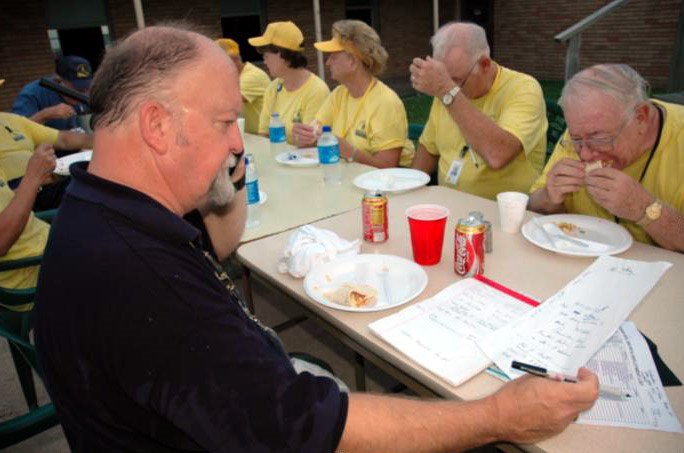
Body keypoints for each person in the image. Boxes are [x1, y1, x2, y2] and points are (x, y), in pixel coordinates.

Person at [35, 25, 598, 452]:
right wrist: (497, 417)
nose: (239, 143)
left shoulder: (104, 208)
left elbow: (221, 248)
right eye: (225, 122)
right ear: (157, 126)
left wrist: (220, 179)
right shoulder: (144, 283)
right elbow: (303, 426)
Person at [529, 64, 684, 252]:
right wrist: (548, 196)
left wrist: (645, 210)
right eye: (576, 139)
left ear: (641, 117)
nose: (585, 154)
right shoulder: (583, 129)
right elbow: (532, 207)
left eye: (600, 138)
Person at [410, 22, 547, 200]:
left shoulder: (523, 89)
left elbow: (498, 154)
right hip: (449, 204)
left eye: (456, 81)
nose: (451, 87)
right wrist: (408, 188)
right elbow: (429, 148)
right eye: (445, 78)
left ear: (484, 64)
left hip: (502, 213)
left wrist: (447, 91)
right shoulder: (445, 91)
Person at [291, 20, 414, 168]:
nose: (328, 63)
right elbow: (316, 132)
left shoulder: (386, 102)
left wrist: (351, 152)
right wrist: (304, 137)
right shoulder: (339, 93)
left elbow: (388, 167)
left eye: (333, 57)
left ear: (353, 62)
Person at [249, 21, 329, 144]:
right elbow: (263, 134)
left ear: (282, 55)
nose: (264, 61)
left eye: (266, 56)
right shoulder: (273, 88)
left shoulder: (316, 90)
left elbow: (309, 143)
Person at [0, 109, 92, 210]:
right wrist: (36, 180)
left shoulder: (10, 119)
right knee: (91, 184)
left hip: (49, 179)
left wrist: (103, 141)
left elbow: (63, 139)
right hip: (24, 193)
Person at [0, 143, 55, 292]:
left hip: (49, 246)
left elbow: (6, 201)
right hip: (31, 274)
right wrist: (32, 179)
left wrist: (38, 180)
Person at [11, 55, 92, 130]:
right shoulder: (32, 93)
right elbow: (16, 131)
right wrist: (45, 115)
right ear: (58, 81)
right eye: (79, 89)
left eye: (86, 88)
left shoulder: (87, 92)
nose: (84, 93)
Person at [216, 38, 271, 134]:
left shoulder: (252, 76)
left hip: (265, 136)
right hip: (250, 136)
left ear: (234, 60)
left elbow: (227, 103)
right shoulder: (232, 76)